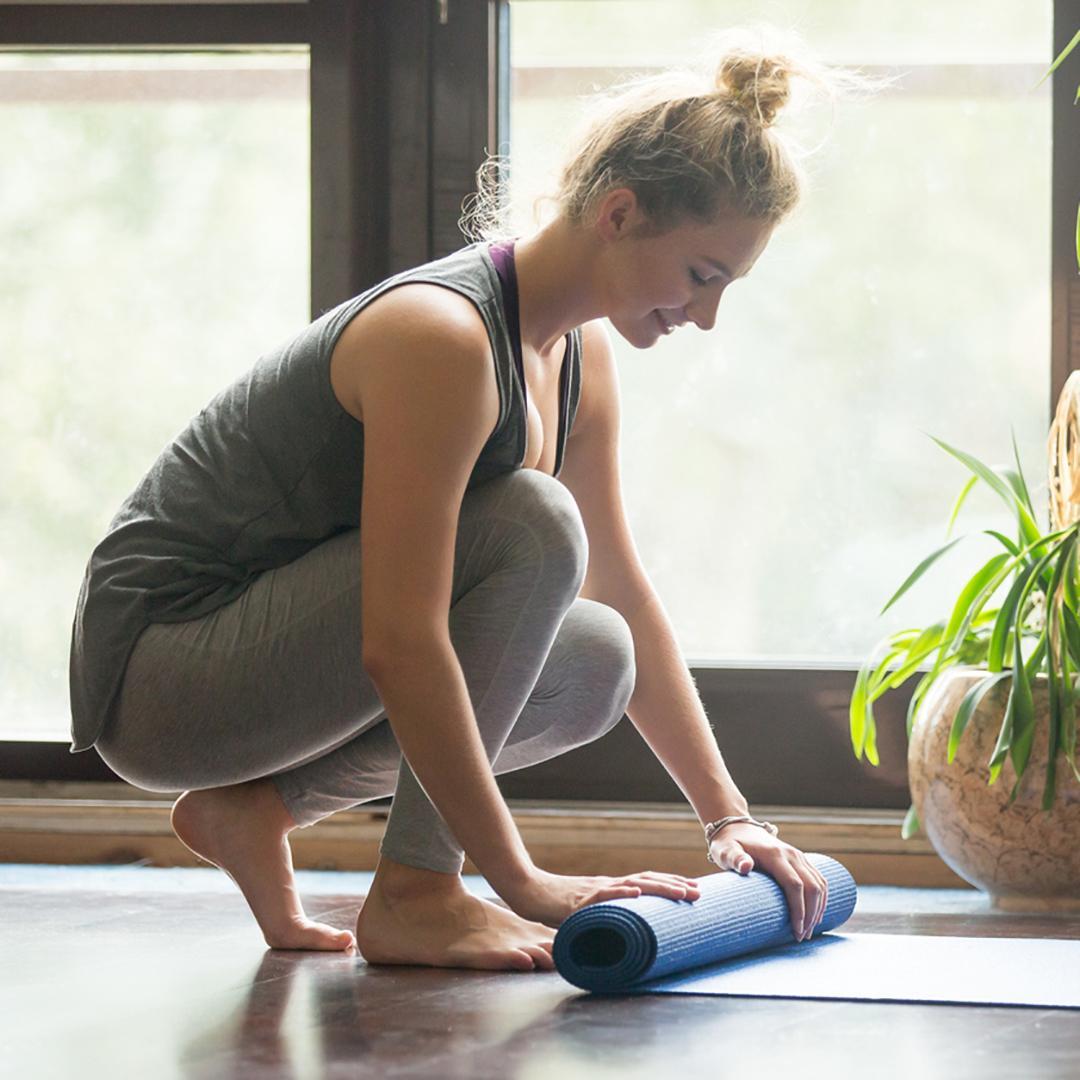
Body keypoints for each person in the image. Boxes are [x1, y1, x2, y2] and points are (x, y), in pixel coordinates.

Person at [69, 37, 836, 972]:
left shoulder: (579, 364)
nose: (705, 316)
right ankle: (417, 894)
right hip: (161, 675)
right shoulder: (443, 338)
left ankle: (255, 811)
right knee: (533, 519)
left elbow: (622, 590)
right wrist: (519, 878)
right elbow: (398, 639)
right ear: (620, 213)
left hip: (256, 667)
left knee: (598, 656)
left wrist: (730, 817)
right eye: (702, 276)